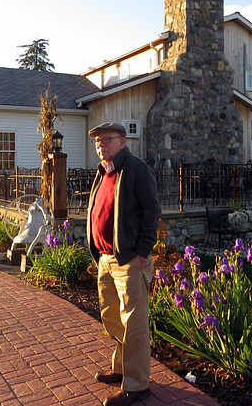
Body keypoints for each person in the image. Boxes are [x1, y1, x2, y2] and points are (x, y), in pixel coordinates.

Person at [86, 122, 161, 406]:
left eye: (107, 139)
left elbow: (152, 210)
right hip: (105, 259)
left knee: (135, 325)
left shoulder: (137, 169)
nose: (101, 145)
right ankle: (122, 368)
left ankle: (137, 384)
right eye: (97, 141)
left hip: (130, 260)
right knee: (111, 318)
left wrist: (143, 252)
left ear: (122, 141)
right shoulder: (103, 173)